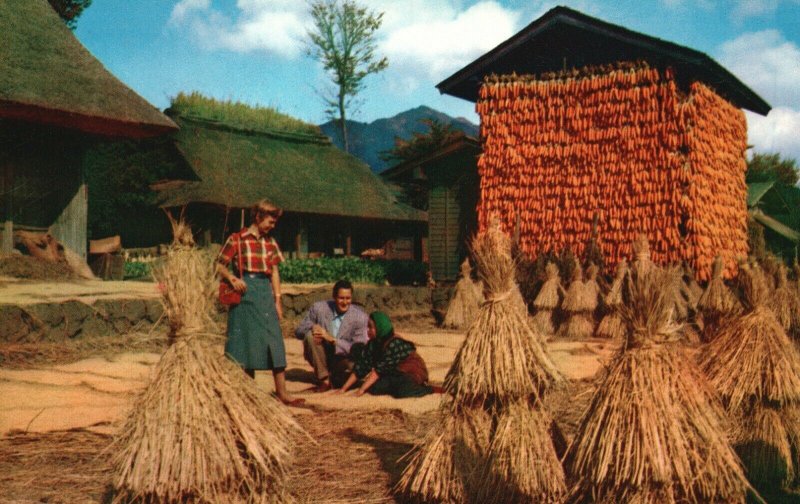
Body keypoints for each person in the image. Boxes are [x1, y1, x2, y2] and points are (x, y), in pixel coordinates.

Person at [217, 199, 303, 406]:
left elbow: (274, 272)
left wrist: (278, 300)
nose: (273, 226)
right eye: (270, 222)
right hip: (245, 294)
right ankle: (248, 393)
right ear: (258, 217)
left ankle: (282, 392)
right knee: (246, 342)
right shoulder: (237, 239)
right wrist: (232, 279)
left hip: (265, 293)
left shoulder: (270, 242)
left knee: (274, 339)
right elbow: (219, 265)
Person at [338, 311, 435, 398]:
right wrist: (343, 389)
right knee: (375, 388)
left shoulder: (394, 343)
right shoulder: (373, 343)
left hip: (411, 374)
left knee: (402, 391)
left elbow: (378, 371)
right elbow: (362, 366)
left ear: (380, 327)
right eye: (367, 327)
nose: (368, 330)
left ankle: (428, 390)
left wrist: (361, 391)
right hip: (394, 374)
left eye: (371, 327)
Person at [295, 280, 368, 391]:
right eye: (341, 298)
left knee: (353, 366)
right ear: (334, 297)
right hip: (321, 356)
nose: (344, 302)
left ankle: (338, 378)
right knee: (310, 335)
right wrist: (312, 327)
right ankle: (324, 380)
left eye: (348, 298)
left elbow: (359, 348)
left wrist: (333, 340)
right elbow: (298, 331)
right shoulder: (319, 308)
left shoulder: (360, 317)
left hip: (344, 360)